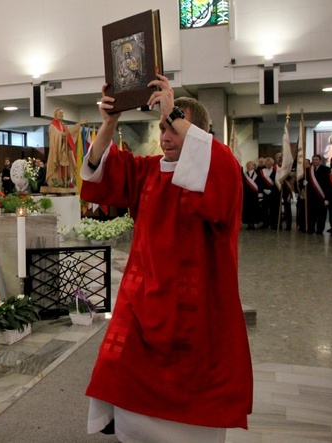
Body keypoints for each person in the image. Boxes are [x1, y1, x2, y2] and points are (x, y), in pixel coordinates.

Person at [80, 75, 252, 442]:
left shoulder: (218, 170)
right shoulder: (148, 171)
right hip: (143, 306)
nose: (167, 132)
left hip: (194, 314)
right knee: (120, 375)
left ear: (199, 133)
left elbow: (220, 167)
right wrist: (110, 121)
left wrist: (174, 111)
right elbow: (100, 168)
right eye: (162, 125)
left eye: (174, 124)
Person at [46, 107, 86, 187]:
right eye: (60, 113)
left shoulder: (62, 125)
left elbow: (69, 133)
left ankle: (64, 182)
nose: (62, 115)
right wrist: (62, 135)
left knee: (67, 162)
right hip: (56, 151)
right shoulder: (53, 126)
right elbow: (56, 134)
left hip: (64, 150)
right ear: (55, 114)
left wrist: (78, 124)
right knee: (56, 167)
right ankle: (55, 182)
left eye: (62, 113)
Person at [306, 154, 331, 234]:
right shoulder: (308, 170)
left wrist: (327, 198)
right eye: (313, 159)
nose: (314, 161)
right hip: (311, 196)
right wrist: (303, 183)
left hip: (322, 196)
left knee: (321, 215)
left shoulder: (326, 169)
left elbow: (328, 185)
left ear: (320, 161)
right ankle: (311, 229)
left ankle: (320, 230)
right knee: (311, 214)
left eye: (316, 159)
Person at [256, 157, 280, 229]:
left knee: (274, 209)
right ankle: (265, 223)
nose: (268, 164)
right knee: (264, 208)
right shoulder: (261, 171)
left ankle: (273, 224)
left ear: (272, 163)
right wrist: (263, 190)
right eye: (266, 163)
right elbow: (259, 182)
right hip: (265, 192)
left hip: (274, 192)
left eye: (269, 163)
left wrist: (272, 190)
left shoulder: (276, 170)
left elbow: (278, 182)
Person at [241, 160, 261, 229]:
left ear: (254, 166)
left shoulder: (257, 174)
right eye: (248, 165)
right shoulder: (245, 174)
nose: (249, 166)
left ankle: (253, 223)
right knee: (247, 209)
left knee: (254, 208)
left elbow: (259, 183)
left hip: (254, 194)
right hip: (247, 194)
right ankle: (249, 223)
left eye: (250, 165)